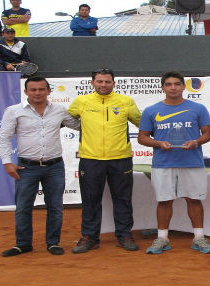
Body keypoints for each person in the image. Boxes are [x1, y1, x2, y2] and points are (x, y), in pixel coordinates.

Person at [0, 77, 80, 257]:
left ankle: (53, 243)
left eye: (41, 89)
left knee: (56, 207)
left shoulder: (59, 110)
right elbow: (4, 137)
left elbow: (79, 125)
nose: (37, 93)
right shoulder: (14, 111)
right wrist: (7, 161)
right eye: (33, 89)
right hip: (26, 167)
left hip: (54, 166)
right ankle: (23, 244)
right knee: (23, 207)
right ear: (26, 91)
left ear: (49, 91)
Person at [137, 71, 210, 254]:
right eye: (169, 84)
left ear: (183, 86)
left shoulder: (198, 109)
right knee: (164, 201)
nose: (173, 87)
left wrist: (195, 142)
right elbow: (142, 138)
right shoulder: (151, 110)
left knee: (194, 200)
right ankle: (162, 239)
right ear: (163, 87)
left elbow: (208, 134)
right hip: (163, 163)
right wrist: (158, 143)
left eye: (177, 84)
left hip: (192, 162)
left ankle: (199, 238)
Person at [68, 68, 141, 253]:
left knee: (122, 199)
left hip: (121, 158)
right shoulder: (81, 102)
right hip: (90, 159)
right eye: (99, 81)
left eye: (107, 81)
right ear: (92, 83)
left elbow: (141, 123)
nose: (103, 85)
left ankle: (124, 234)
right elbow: (67, 119)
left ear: (114, 83)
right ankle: (90, 237)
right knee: (90, 199)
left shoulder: (126, 101)